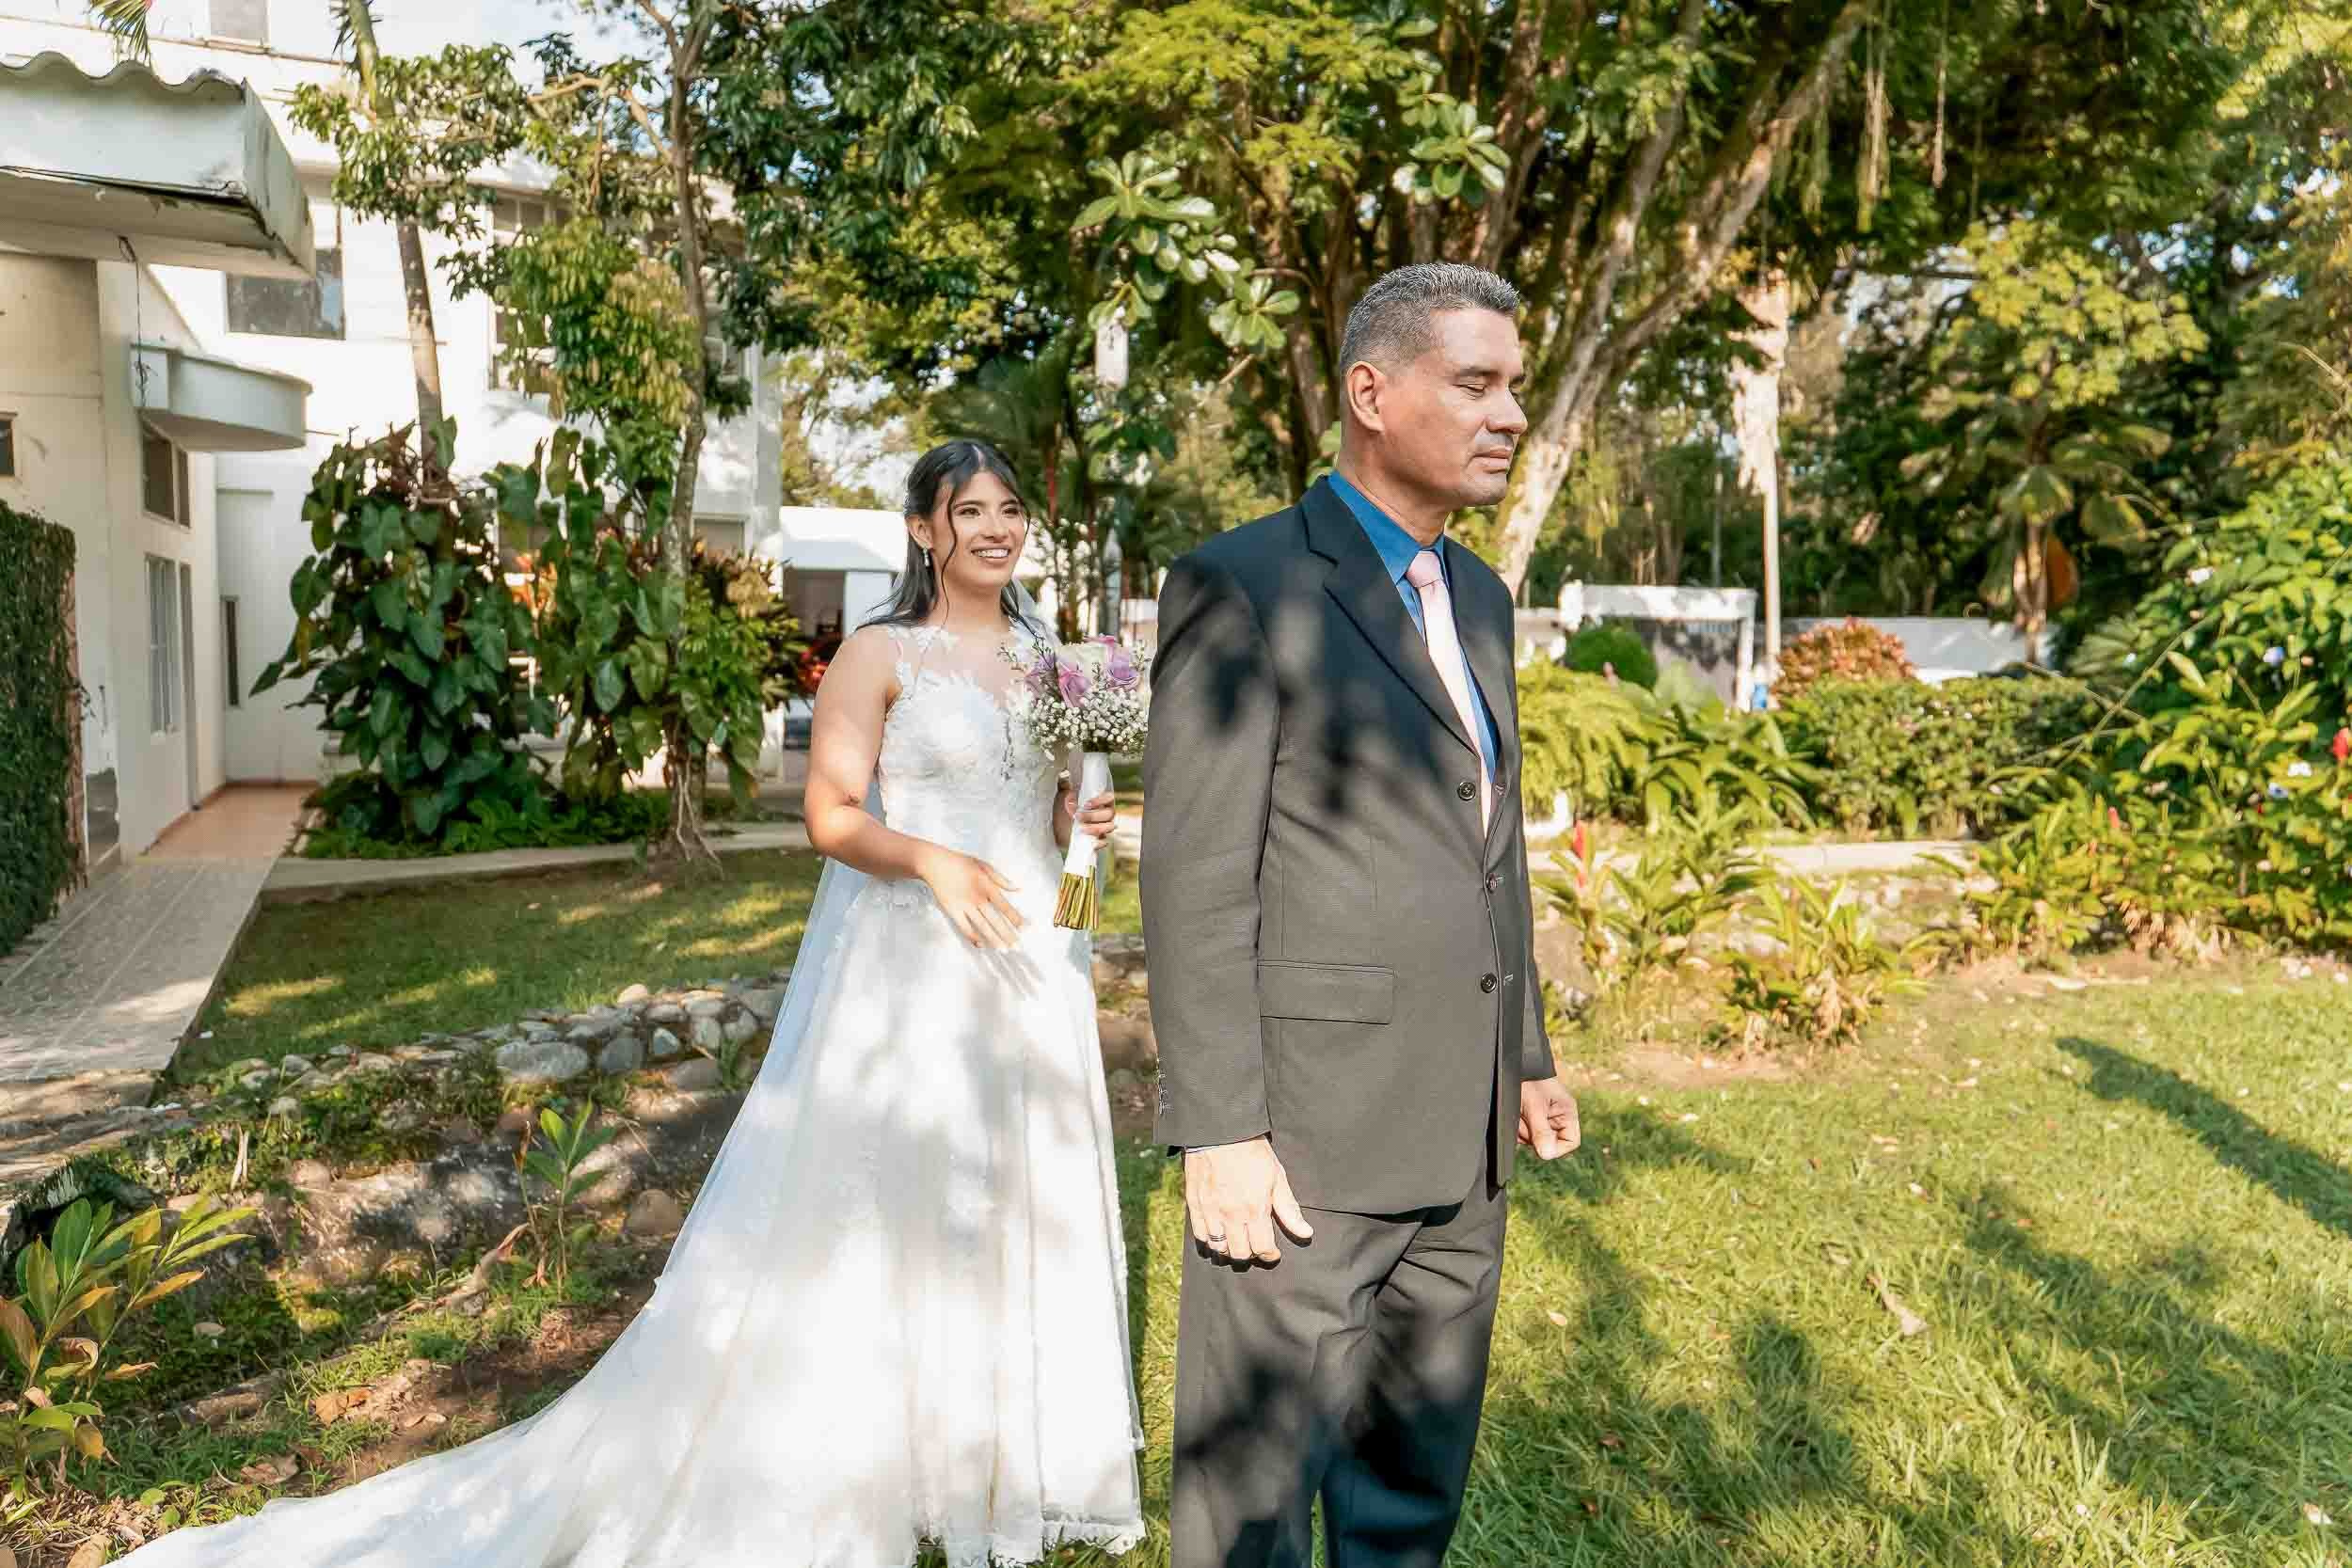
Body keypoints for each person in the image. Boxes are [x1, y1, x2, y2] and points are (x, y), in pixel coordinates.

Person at [118, 439, 1143, 1568]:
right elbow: (832, 815)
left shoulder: (1048, 656)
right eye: (971, 509)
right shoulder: (879, 651)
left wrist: (1075, 824)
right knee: (899, 1193)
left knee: (1003, 1183)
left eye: (1009, 509)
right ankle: (876, 1452)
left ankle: (989, 1457)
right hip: (916, 961)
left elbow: (1038, 805)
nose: (996, 528)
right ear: (922, 528)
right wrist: (932, 859)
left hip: (1027, 952)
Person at [1143, 262, 1582, 1568]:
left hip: (1464, 1135)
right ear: (1371, 394)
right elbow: (1195, 876)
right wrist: (1222, 1127)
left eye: (1515, 386)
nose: (1510, 414)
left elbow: (1489, 842)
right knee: (1255, 1505)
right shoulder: (1242, 582)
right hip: (1305, 1143)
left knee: (1408, 1497)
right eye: (1476, 383)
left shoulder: (1482, 597)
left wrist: (1524, 1055)